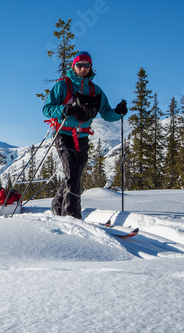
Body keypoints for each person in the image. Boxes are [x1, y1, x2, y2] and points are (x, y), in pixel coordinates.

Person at [42, 51, 127, 219]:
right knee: (73, 171)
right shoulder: (63, 86)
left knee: (74, 175)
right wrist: (63, 109)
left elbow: (107, 113)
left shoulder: (95, 90)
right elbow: (46, 109)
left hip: (82, 137)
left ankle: (57, 205)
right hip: (63, 134)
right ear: (74, 66)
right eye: (79, 65)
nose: (83, 68)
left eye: (86, 66)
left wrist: (118, 112)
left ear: (90, 68)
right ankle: (72, 216)